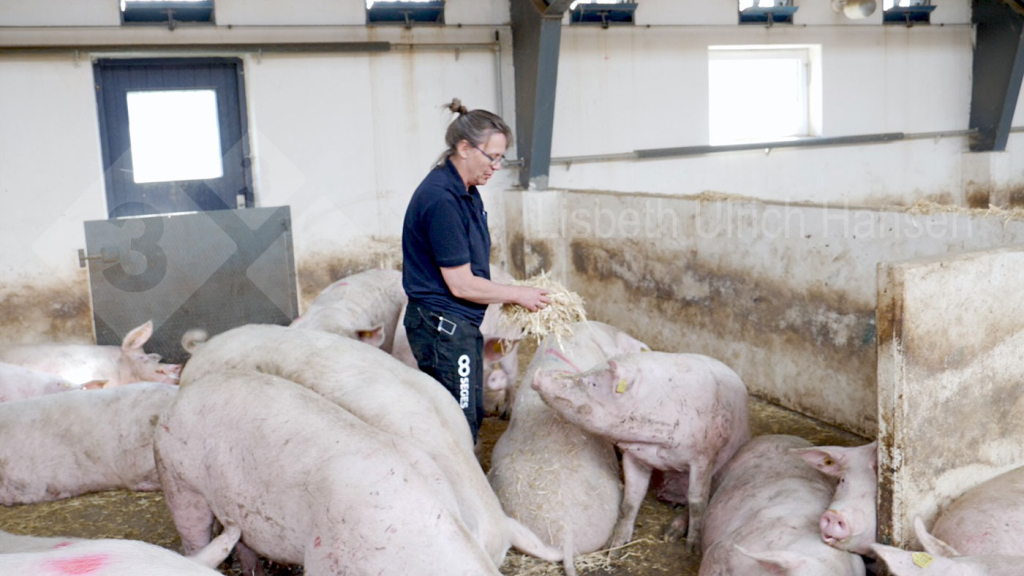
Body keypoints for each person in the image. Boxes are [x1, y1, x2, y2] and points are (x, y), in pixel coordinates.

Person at [401, 98, 550, 444]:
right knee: (460, 418)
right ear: (465, 148)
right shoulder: (442, 200)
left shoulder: (465, 190)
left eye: (501, 158)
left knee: (466, 411)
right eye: (492, 156)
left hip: (455, 323)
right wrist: (517, 294)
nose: (496, 166)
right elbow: (461, 284)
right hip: (443, 327)